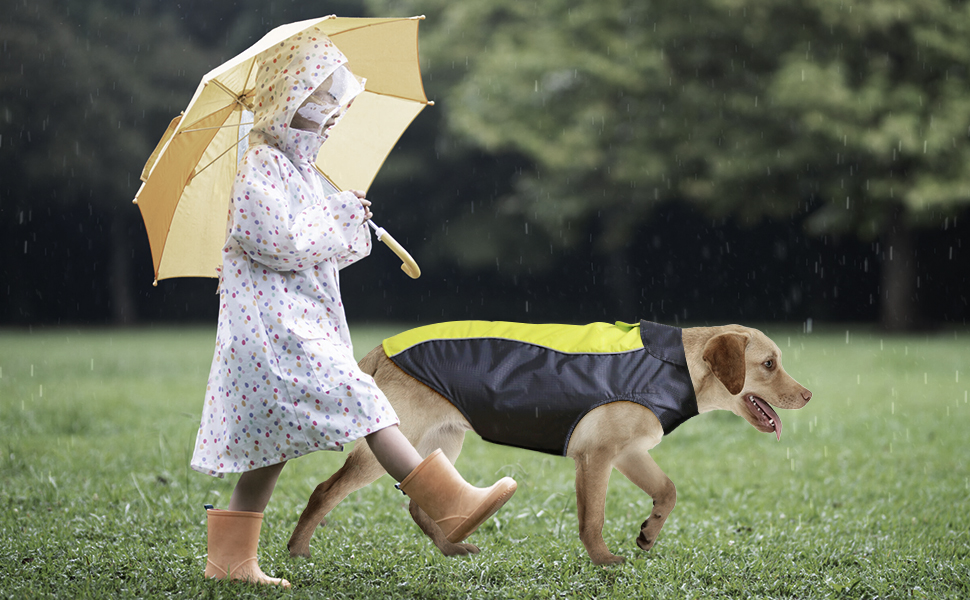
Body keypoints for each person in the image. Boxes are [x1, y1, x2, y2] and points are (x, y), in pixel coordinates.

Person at [191, 29, 516, 588]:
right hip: (275, 331)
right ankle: (449, 504)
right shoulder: (260, 166)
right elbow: (280, 242)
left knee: (271, 447)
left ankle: (229, 560)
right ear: (288, 105)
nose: (333, 116)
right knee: (363, 396)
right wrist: (333, 219)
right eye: (322, 105)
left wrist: (347, 220)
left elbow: (320, 250)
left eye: (337, 105)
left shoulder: (302, 172)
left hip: (299, 323)